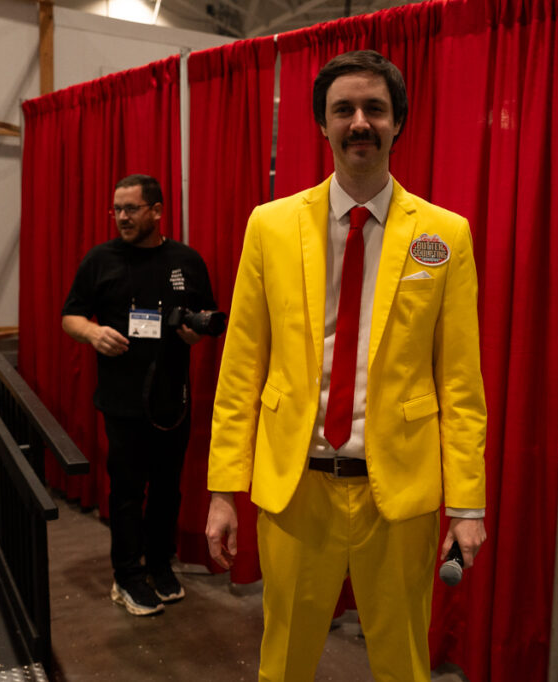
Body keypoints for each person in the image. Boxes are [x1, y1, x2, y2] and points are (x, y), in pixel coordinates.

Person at [206, 50, 487, 680]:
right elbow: (241, 366)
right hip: (296, 487)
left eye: (375, 109)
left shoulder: (446, 235)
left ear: (397, 123)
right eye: (344, 110)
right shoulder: (271, 226)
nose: (360, 121)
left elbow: (462, 383)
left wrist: (468, 506)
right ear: (322, 124)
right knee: (284, 658)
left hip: (401, 494)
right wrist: (224, 489)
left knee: (402, 661)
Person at [62, 174, 216, 617]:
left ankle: (160, 566)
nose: (122, 217)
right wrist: (92, 332)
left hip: (173, 402)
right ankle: (127, 577)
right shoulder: (101, 260)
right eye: (117, 209)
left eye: (131, 208)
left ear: (157, 211)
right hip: (122, 403)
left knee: (168, 490)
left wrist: (193, 334)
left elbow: (203, 317)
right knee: (128, 492)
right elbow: (69, 316)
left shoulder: (186, 261)